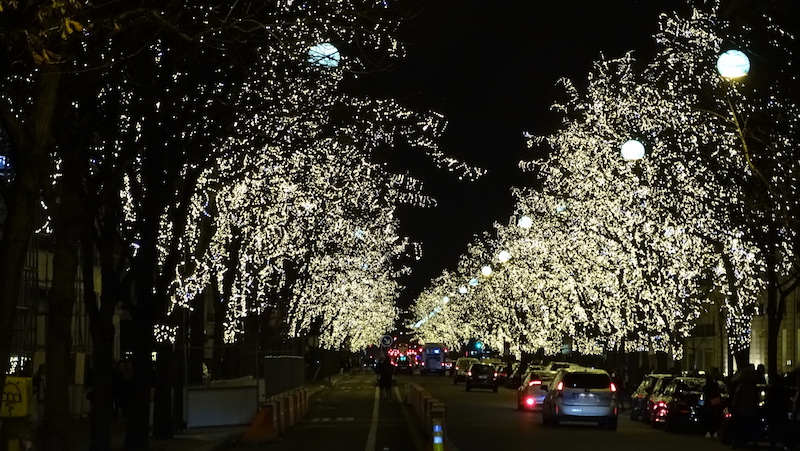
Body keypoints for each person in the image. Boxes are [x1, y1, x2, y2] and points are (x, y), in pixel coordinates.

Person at [730, 364, 760, 449]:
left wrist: (734, 407)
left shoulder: (740, 386)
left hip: (741, 410)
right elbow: (755, 398)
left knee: (740, 426)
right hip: (750, 410)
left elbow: (736, 398)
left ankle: (738, 441)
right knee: (749, 426)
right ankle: (750, 442)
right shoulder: (752, 387)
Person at [702, 367, 723, 438]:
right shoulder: (710, 381)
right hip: (711, 400)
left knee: (714, 416)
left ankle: (714, 431)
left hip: (714, 400)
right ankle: (710, 431)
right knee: (710, 416)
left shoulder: (715, 381)